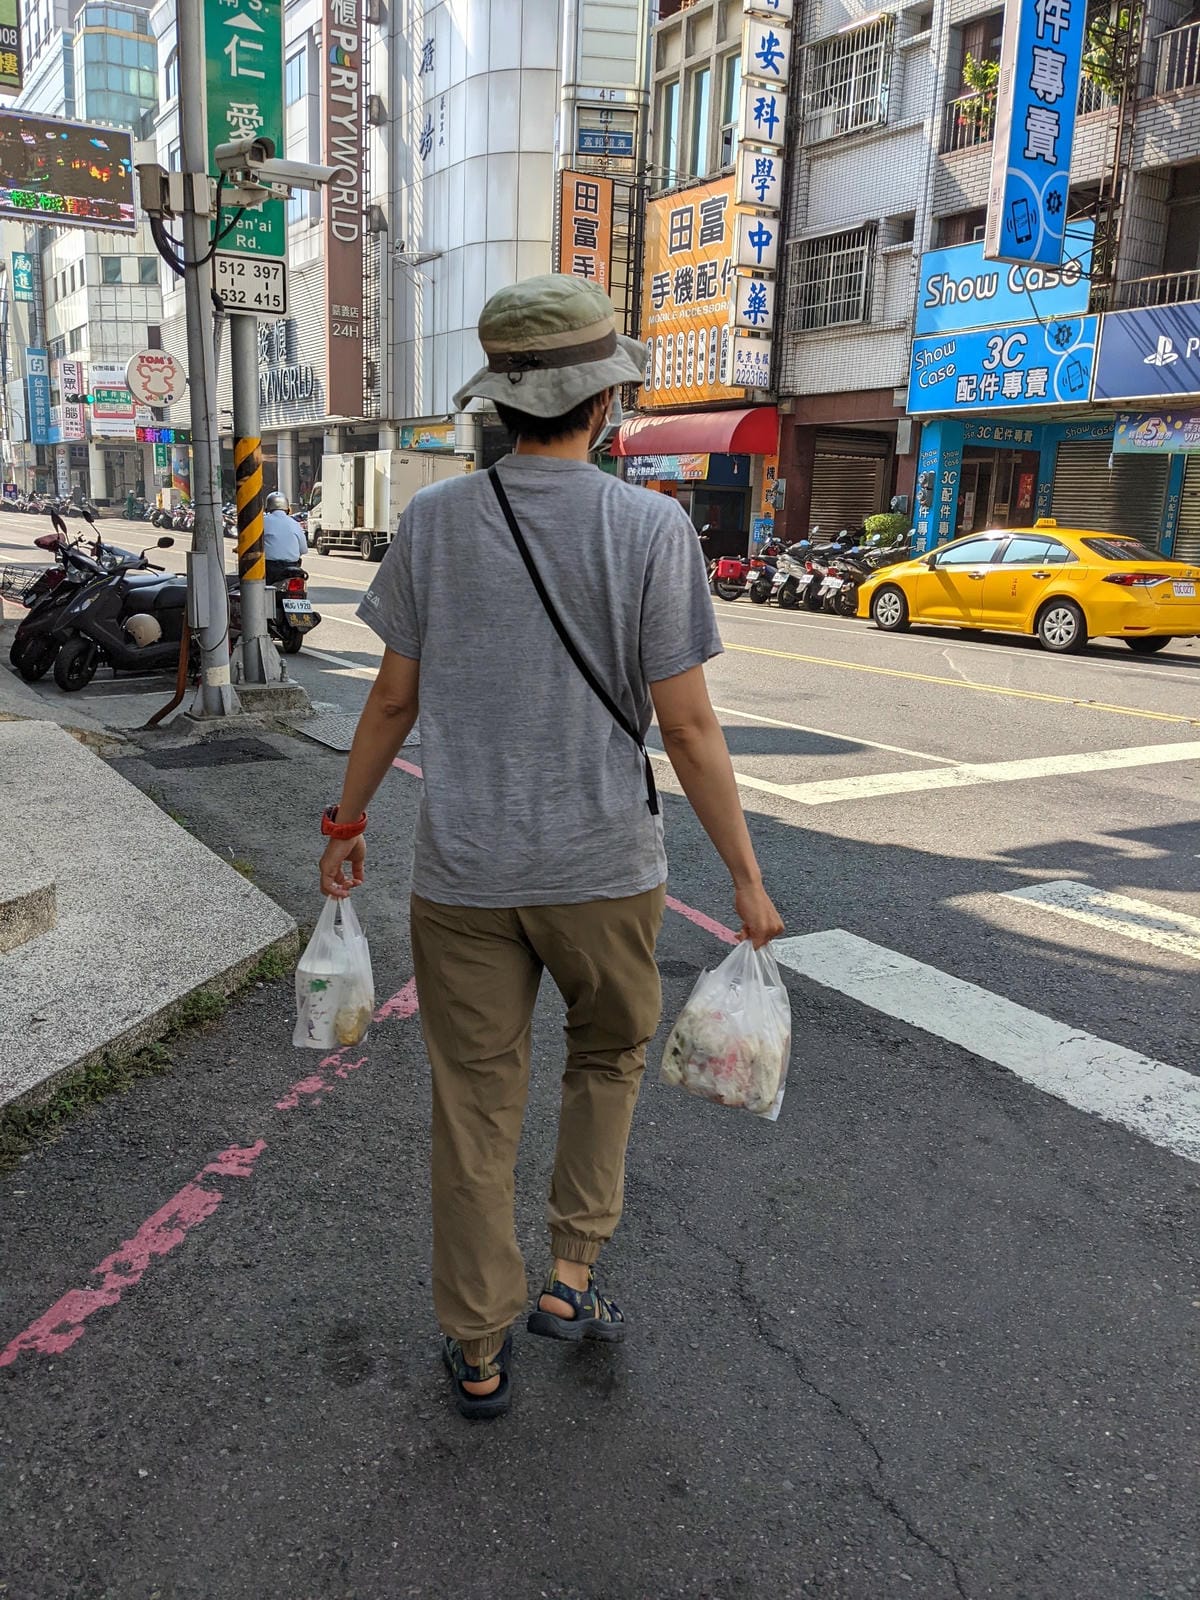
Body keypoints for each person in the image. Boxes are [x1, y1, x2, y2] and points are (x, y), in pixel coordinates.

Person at [317, 273, 783, 1421]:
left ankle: (477, 1347)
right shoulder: (652, 527)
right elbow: (686, 725)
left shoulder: (431, 521)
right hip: (607, 873)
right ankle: (570, 1279)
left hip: (465, 875)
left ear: (500, 402)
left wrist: (346, 823)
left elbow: (388, 703)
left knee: (475, 1105)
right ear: (603, 403)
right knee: (606, 1061)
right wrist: (746, 875)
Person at [262, 491, 307, 581]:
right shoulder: (295, 524)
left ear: (267, 508)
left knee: (260, 590)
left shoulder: (262, 522)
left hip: (269, 568)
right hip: (293, 567)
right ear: (287, 509)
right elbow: (303, 550)